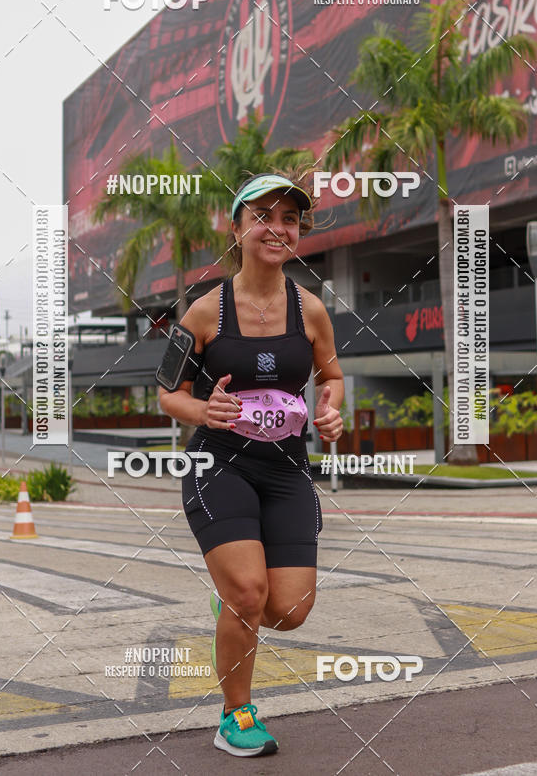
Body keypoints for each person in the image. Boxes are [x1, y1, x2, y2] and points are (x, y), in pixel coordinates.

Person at [158, 172, 344, 757]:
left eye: (288, 219)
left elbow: (331, 378)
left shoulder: (311, 310)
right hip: (219, 466)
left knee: (287, 610)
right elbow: (167, 392)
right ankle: (235, 716)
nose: (276, 228)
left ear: (299, 233)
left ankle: (232, 606)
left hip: (287, 470)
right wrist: (202, 409)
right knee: (248, 591)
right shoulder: (203, 312)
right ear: (236, 228)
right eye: (262, 215)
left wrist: (332, 410)